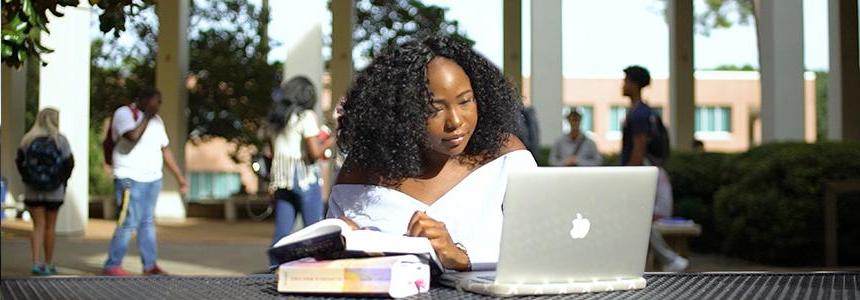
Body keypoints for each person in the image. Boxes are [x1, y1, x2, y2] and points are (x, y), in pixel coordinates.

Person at [327, 36, 537, 272]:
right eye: (434, 110)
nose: (456, 121)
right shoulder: (364, 170)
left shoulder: (505, 157)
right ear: (402, 113)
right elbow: (324, 262)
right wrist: (340, 249)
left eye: (465, 101)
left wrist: (460, 257)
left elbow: (541, 250)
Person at [103, 88, 188, 276]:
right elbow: (132, 137)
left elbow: (165, 150)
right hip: (129, 178)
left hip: (152, 179)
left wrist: (179, 177)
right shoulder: (124, 114)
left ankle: (149, 265)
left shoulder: (157, 122)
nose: (158, 105)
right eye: (156, 101)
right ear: (144, 99)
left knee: (147, 222)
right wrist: (147, 117)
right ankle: (112, 264)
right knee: (127, 221)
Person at [620, 65, 687, 272]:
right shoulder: (644, 111)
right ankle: (658, 262)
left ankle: (669, 259)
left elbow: (639, 146)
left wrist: (629, 174)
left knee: (638, 218)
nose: (622, 84)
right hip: (652, 172)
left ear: (634, 84)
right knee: (637, 219)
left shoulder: (639, 114)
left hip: (643, 173)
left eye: (626, 80)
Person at [266, 76, 334, 266]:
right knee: (313, 230)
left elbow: (271, 152)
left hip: (281, 177)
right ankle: (313, 270)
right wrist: (330, 140)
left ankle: (274, 268)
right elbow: (313, 153)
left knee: (282, 230)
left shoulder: (277, 119)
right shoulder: (306, 116)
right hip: (303, 176)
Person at [15, 108, 74, 276]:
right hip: (54, 191)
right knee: (50, 227)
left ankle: (36, 263)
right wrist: (62, 181)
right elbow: (69, 163)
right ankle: (48, 264)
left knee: (37, 226)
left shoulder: (27, 139)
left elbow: (19, 162)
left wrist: (29, 179)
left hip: (32, 191)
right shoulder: (60, 140)